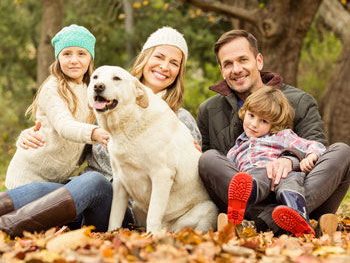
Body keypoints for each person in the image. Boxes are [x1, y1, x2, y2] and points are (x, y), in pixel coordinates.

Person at [0, 26, 201, 237]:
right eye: (159, 57)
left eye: (174, 63)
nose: (164, 66)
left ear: (179, 71)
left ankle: (5, 228)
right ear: (144, 58)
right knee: (51, 188)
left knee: (95, 181)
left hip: (121, 209)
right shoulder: (106, 95)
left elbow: (188, 178)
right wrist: (30, 133)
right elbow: (72, 129)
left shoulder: (180, 119)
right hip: (77, 196)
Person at [197, 29, 350, 235]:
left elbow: (316, 149)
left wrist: (290, 160)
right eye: (228, 64)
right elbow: (215, 174)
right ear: (222, 70)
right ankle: (283, 221)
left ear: (259, 61)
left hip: (296, 188)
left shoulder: (299, 101)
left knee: (343, 152)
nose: (236, 69)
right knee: (207, 159)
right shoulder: (209, 110)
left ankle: (274, 219)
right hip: (247, 196)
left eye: (243, 59)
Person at [5, 24, 110, 190]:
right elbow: (64, 125)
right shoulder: (52, 88)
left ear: (90, 58)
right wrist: (94, 133)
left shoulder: (92, 90)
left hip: (57, 180)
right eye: (66, 54)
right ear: (58, 58)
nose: (74, 60)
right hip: (29, 176)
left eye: (81, 53)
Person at [225, 86, 325, 236]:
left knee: (291, 182)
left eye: (263, 121)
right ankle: (245, 196)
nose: (254, 124)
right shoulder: (236, 149)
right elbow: (229, 170)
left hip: (284, 174)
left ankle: (297, 215)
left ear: (274, 125)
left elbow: (315, 145)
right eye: (251, 115)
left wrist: (311, 156)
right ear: (244, 112)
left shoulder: (283, 136)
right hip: (257, 179)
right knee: (255, 176)